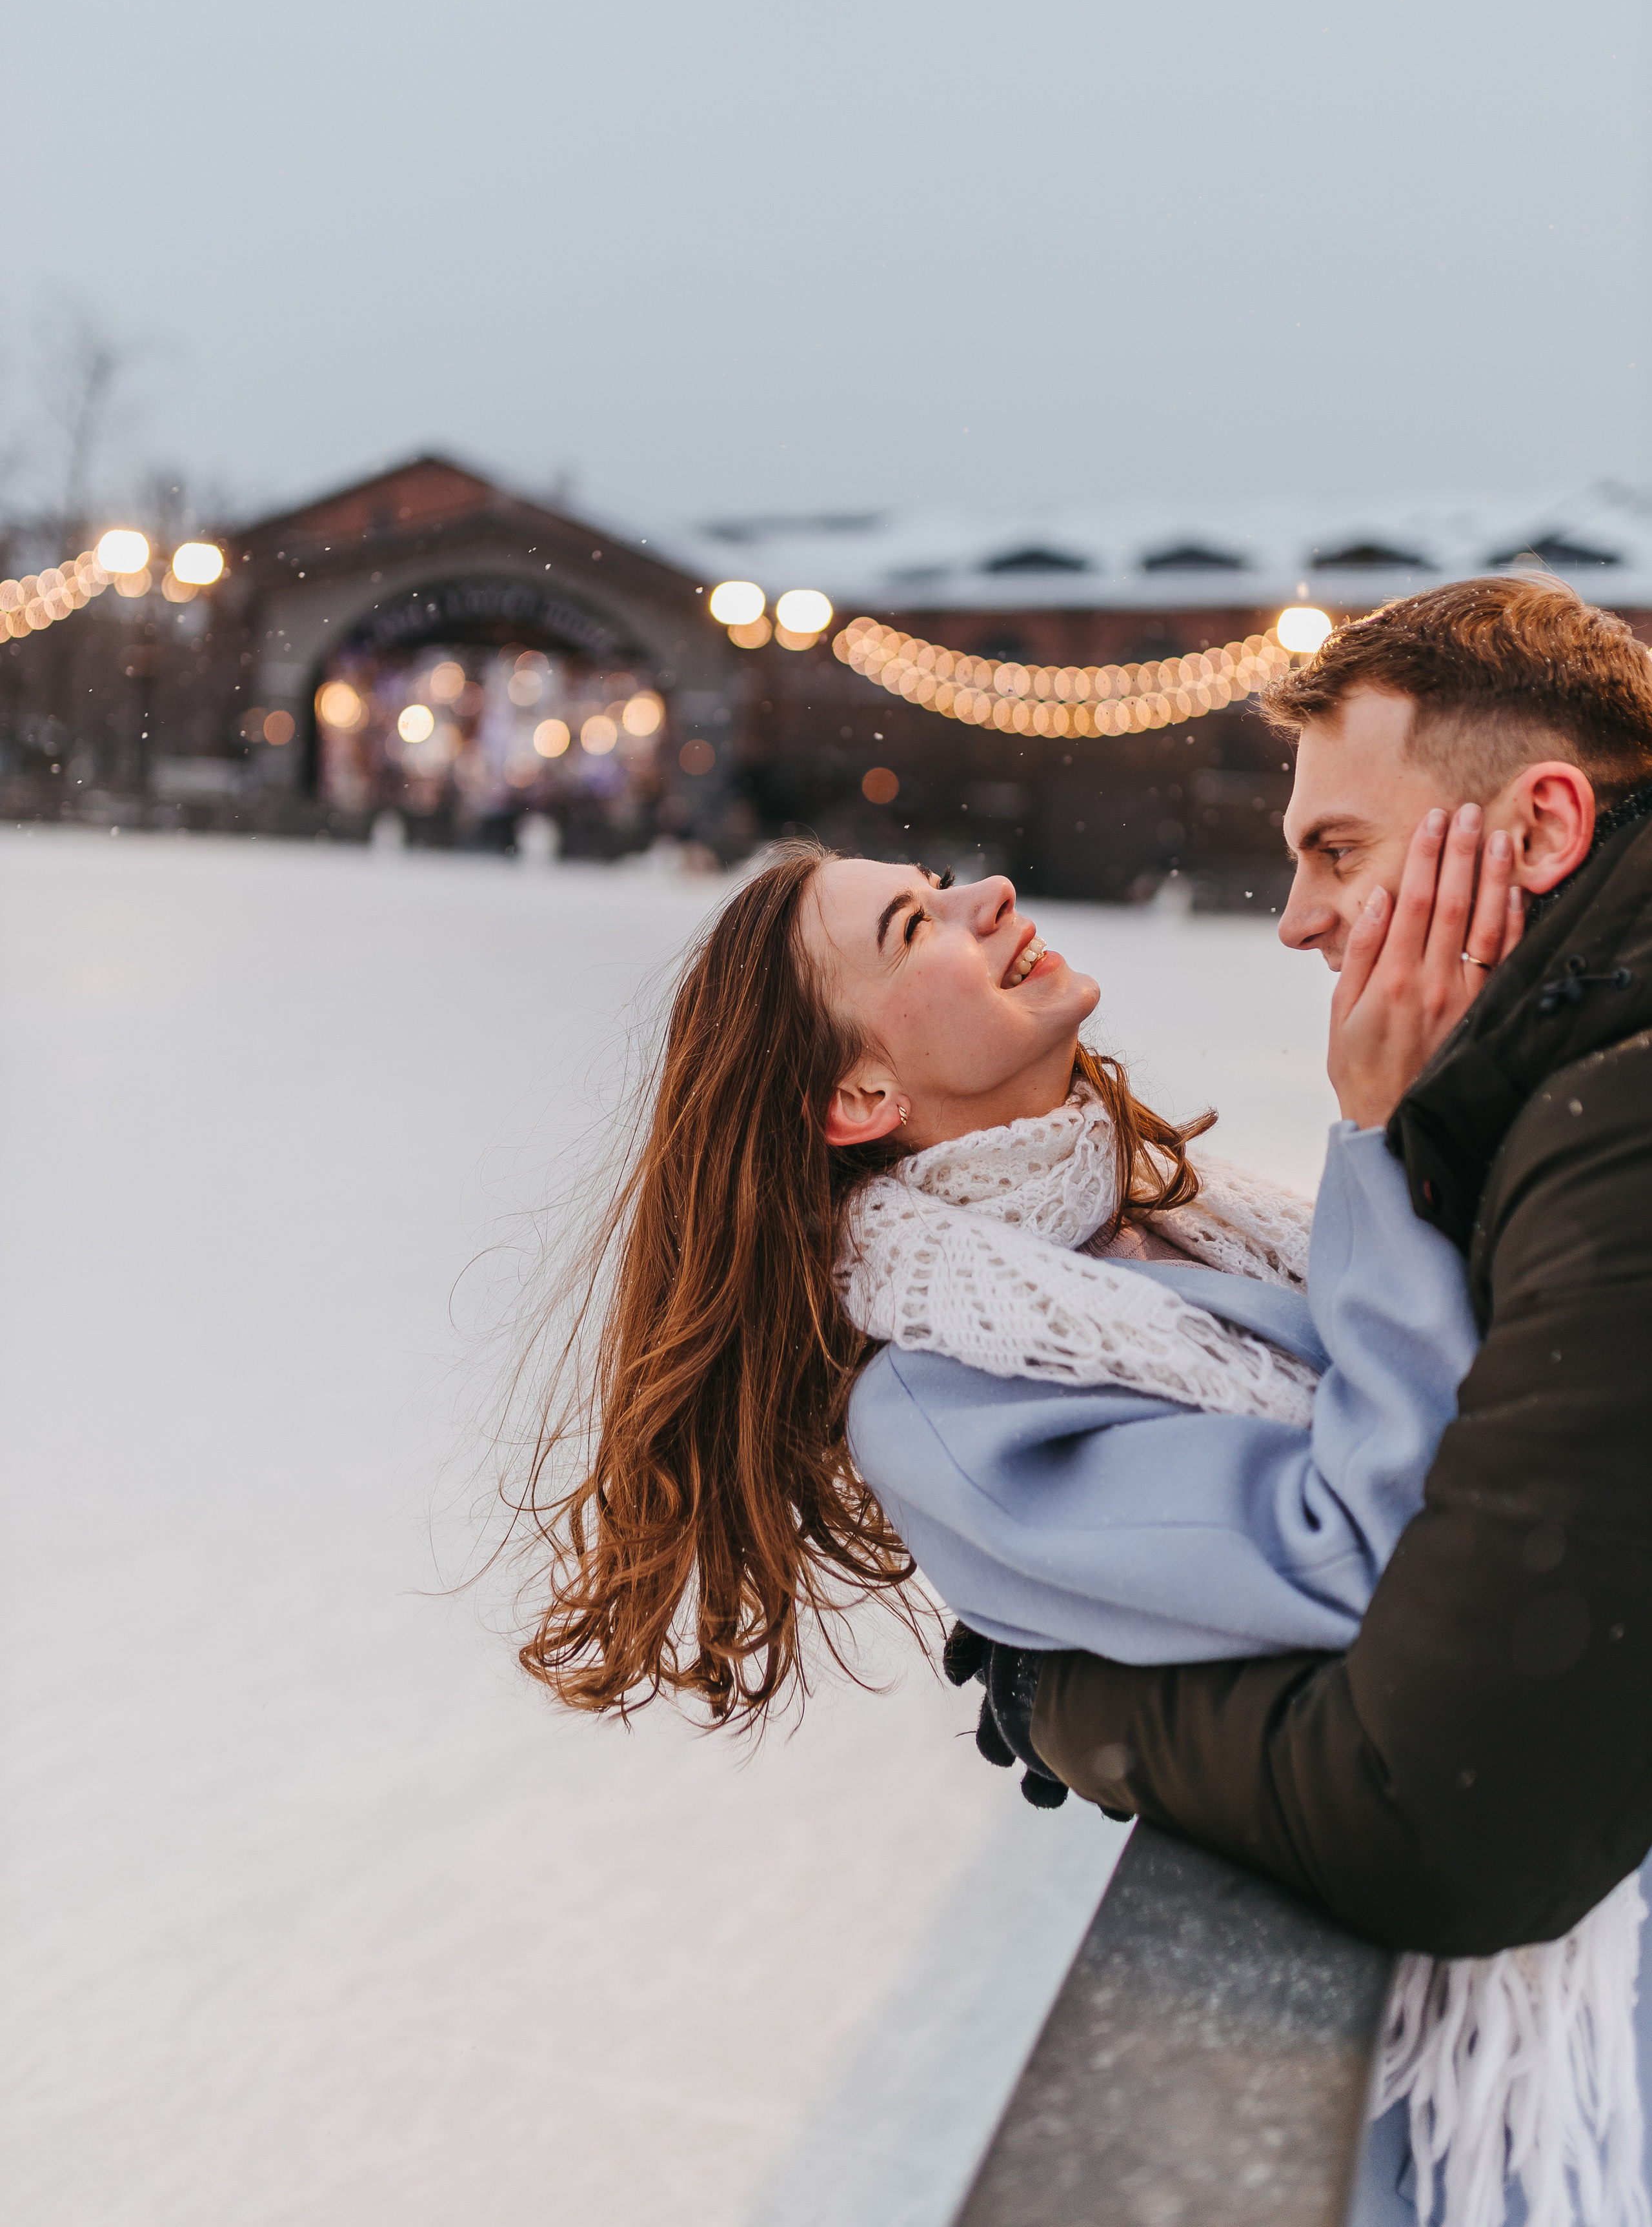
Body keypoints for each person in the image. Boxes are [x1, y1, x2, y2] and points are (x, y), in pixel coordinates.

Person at [516, 573, 1652, 2226]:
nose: (981, 895)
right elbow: (1365, 1553)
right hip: (1469, 2088)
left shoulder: (1183, 1218)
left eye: (937, 887)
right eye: (911, 929)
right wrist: (1382, 1137)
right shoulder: (944, 1403)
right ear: (859, 1094)